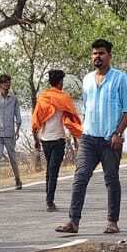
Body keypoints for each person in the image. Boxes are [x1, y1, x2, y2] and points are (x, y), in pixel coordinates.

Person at [56, 38, 127, 235]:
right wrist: (79, 134)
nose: (97, 57)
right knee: (80, 177)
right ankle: (73, 222)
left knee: (111, 180)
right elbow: (87, 108)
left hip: (110, 139)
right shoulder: (87, 79)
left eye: (101, 53)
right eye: (94, 53)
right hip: (89, 138)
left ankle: (112, 221)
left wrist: (118, 133)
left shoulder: (121, 78)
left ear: (109, 55)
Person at [31, 69, 81, 212]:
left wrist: (36, 138)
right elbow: (72, 118)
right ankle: (49, 200)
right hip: (56, 139)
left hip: (46, 139)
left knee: (51, 169)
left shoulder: (43, 97)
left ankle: (49, 199)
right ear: (60, 82)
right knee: (52, 170)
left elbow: (36, 119)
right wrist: (77, 136)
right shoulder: (64, 98)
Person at [0, 74, 23, 192]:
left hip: (10, 133)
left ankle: (17, 179)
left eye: (9, 82)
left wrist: (17, 130)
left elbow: (17, 115)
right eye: (6, 82)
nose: (8, 84)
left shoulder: (14, 98)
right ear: (1, 84)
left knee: (12, 158)